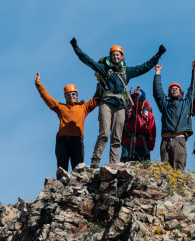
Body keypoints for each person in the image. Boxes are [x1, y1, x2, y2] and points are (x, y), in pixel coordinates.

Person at [70, 38, 165, 167]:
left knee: (117, 135)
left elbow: (144, 67)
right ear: (110, 56)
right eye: (113, 54)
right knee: (104, 132)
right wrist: (76, 48)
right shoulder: (104, 69)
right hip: (106, 103)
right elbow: (88, 61)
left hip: (120, 106)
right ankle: (95, 161)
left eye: (118, 54)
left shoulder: (127, 72)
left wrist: (158, 55)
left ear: (122, 56)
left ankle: (113, 163)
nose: (115, 56)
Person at [35, 72, 98, 175]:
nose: (71, 96)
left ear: (77, 95)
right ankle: (59, 187)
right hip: (62, 140)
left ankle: (76, 189)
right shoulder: (61, 108)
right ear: (65, 96)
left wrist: (103, 82)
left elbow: (97, 98)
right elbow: (47, 98)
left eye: (73, 94)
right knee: (61, 169)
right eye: (68, 95)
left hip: (77, 140)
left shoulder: (84, 107)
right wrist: (38, 83)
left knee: (78, 170)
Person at [152, 60, 195, 170]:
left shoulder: (187, 103)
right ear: (169, 93)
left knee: (179, 169)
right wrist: (157, 73)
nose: (174, 90)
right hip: (166, 141)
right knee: (165, 171)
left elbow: (194, 89)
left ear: (181, 92)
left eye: (176, 88)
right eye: (172, 89)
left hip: (180, 140)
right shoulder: (165, 104)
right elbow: (157, 92)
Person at [121, 87, 156, 162]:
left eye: (142, 101)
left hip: (143, 146)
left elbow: (152, 133)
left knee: (143, 171)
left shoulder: (149, 115)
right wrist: (133, 96)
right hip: (128, 144)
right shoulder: (130, 109)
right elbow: (125, 103)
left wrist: (150, 146)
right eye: (139, 101)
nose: (141, 103)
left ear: (145, 100)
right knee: (124, 169)